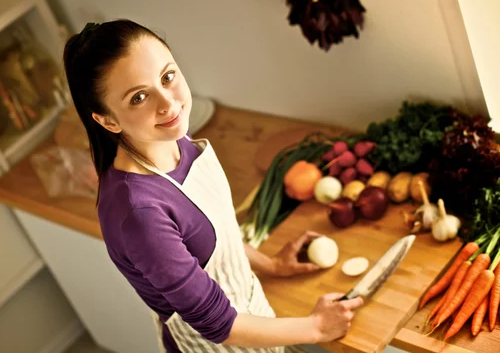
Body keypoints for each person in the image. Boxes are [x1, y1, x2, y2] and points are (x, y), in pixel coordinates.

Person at [62, 19, 364, 353]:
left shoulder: (173, 140)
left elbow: (209, 239)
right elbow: (219, 325)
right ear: (107, 120)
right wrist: (316, 327)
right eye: (139, 97)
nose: (168, 103)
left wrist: (271, 265)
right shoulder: (140, 214)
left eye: (168, 76)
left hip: (258, 317)